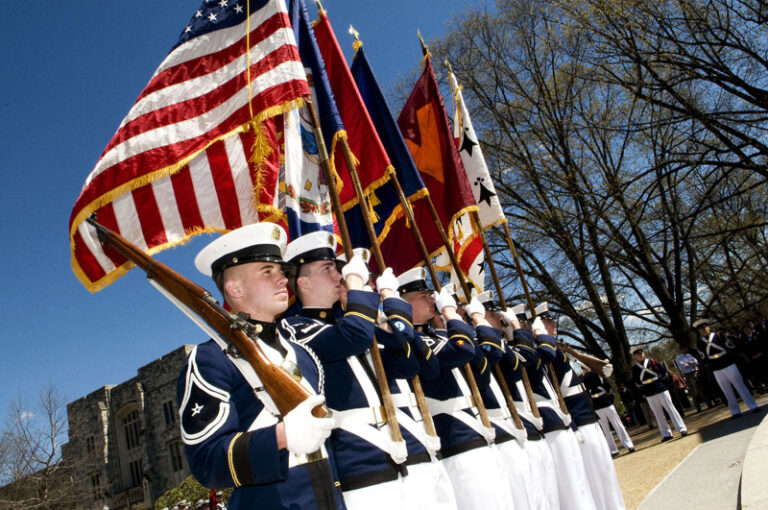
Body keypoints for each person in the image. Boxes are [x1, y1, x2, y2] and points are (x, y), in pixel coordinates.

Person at [282, 233, 457, 510]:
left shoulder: (358, 326)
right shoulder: (294, 328)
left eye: (337, 268)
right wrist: (357, 289)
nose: (338, 274)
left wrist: (386, 310)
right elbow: (350, 338)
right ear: (303, 282)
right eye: (328, 269)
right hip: (360, 460)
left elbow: (410, 364)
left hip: (404, 446)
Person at [177, 223, 341, 510]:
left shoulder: (304, 356)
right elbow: (207, 462)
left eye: (281, 272)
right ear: (235, 287)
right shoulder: (212, 359)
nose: (282, 280)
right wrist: (281, 437)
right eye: (267, 271)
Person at [398, 270, 515, 510]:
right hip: (457, 443)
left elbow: (488, 356)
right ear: (403, 301)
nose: (432, 300)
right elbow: (462, 350)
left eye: (431, 295)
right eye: (424, 295)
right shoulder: (416, 341)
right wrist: (451, 314)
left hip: (478, 435)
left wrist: (475, 319)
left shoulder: (439, 340)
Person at [532, 306, 625, 510]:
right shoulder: (547, 352)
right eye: (547, 321)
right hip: (579, 421)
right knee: (595, 480)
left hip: (589, 418)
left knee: (606, 476)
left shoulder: (558, 348)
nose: (554, 324)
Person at [694, 319, 760, 418]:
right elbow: (703, 357)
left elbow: (732, 347)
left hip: (728, 363)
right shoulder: (700, 342)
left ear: (709, 327)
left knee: (740, 386)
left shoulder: (719, 336)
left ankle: (753, 406)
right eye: (701, 329)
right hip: (716, 368)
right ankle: (735, 411)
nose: (703, 330)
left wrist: (731, 359)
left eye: (704, 328)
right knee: (726, 390)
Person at [631, 348, 687, 441]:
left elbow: (663, 372)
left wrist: (663, 385)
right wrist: (643, 393)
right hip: (649, 392)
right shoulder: (635, 368)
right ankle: (666, 434)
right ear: (635, 356)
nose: (640, 355)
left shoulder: (652, 362)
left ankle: (682, 429)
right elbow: (637, 382)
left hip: (660, 388)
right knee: (658, 414)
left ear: (644, 354)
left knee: (671, 409)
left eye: (641, 353)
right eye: (637, 354)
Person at [583, 369, 634, 455]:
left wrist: (610, 400)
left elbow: (609, 389)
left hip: (606, 403)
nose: (583, 370)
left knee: (617, 425)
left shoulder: (599, 374)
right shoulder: (584, 379)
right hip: (597, 405)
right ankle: (613, 449)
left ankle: (627, 445)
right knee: (606, 430)